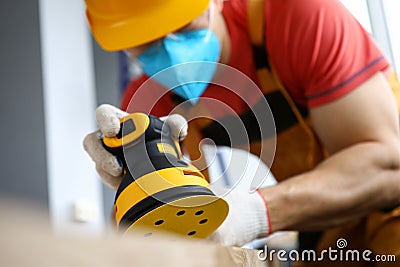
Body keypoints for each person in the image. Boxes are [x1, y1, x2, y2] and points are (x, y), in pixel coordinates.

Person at [83, 0, 400, 266]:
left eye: (182, 26)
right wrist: (137, 184)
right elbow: (158, 238)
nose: (169, 50)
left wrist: (249, 214)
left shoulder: (297, 17)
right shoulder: (150, 105)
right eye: (146, 41)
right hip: (326, 235)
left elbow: (388, 167)